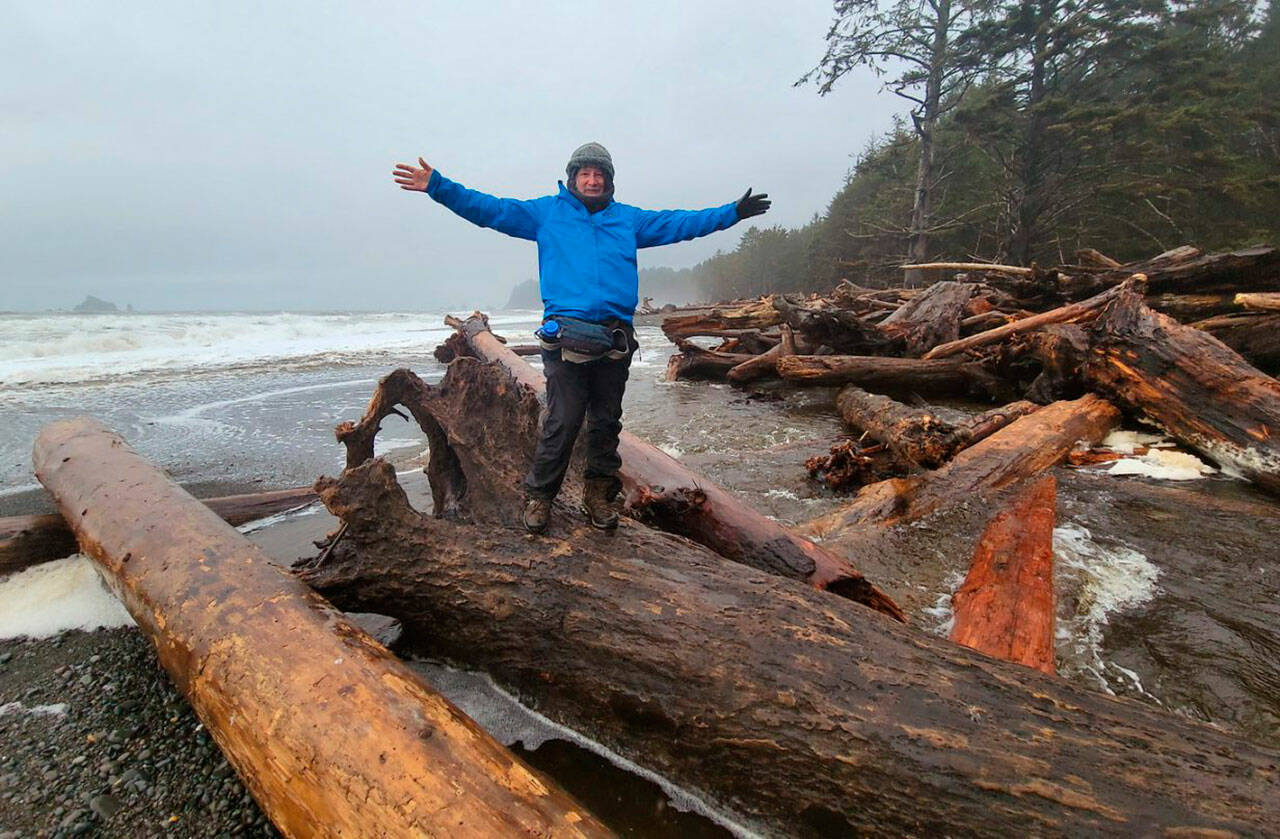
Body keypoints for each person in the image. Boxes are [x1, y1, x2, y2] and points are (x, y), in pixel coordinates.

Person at [393, 142, 769, 533]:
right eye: (585, 173)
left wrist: (732, 213)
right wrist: (438, 186)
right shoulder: (546, 214)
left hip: (615, 339)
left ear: (608, 180)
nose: (592, 180)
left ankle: (598, 498)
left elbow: (680, 224)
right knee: (563, 420)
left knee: (606, 423)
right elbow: (489, 209)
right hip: (564, 338)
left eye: (599, 174)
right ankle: (539, 498)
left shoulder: (627, 220)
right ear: (573, 178)